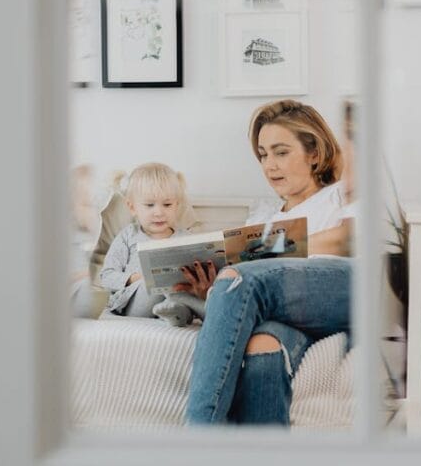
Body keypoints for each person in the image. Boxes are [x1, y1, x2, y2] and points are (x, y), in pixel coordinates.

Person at [175, 99, 356, 425]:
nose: (270, 165)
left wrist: (268, 254)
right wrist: (214, 291)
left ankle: (198, 439)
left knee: (240, 278)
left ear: (314, 153)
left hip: (345, 289)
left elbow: (349, 239)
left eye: (281, 152)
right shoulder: (265, 219)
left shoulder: (342, 193)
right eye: (263, 154)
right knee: (262, 347)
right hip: (287, 306)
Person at [100, 162, 206, 326]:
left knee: (179, 294)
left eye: (167, 204)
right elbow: (106, 276)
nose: (159, 212)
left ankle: (174, 312)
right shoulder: (129, 235)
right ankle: (203, 310)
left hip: (176, 297)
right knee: (156, 283)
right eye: (149, 205)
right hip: (138, 302)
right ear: (132, 207)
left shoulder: (186, 238)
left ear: (176, 205)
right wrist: (137, 278)